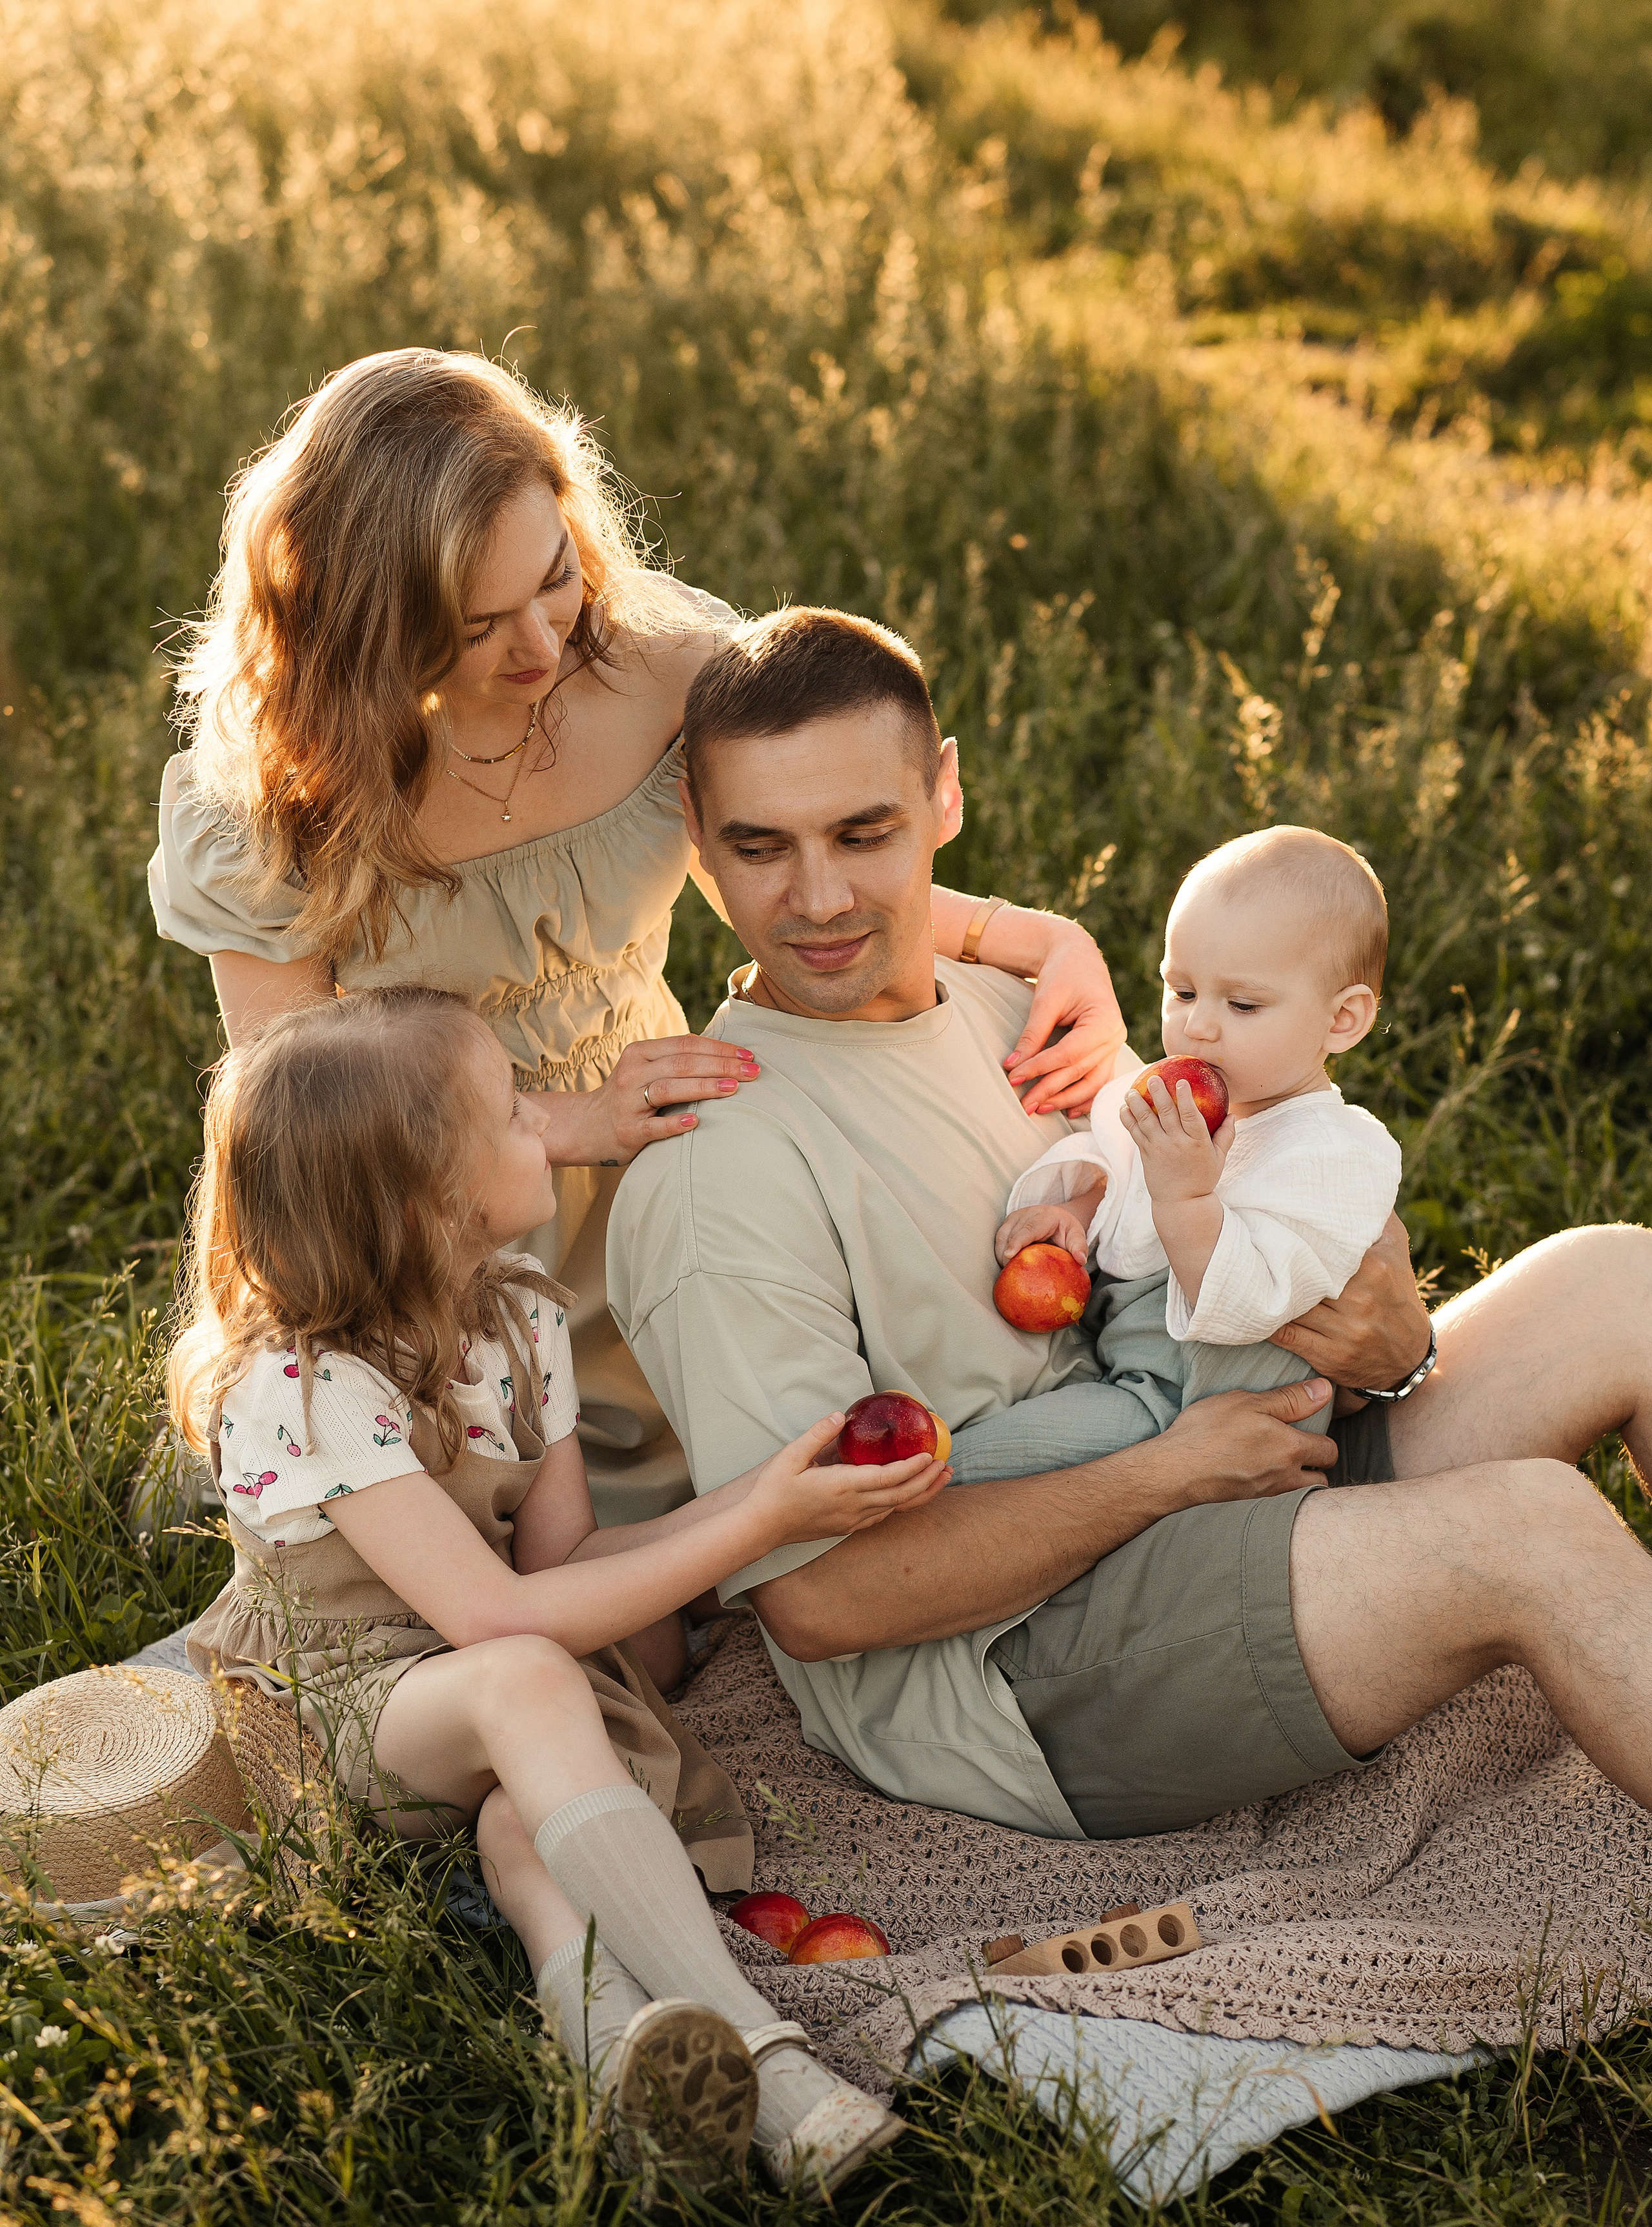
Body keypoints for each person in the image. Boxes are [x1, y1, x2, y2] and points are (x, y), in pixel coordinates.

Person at [607, 604, 1652, 1844]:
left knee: (1622, 1277)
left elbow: (1211, 1234)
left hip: (1228, 1449)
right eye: (761, 845)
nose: (820, 896)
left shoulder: (1021, 1009)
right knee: (1529, 1528)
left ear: (944, 796)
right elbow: (825, 1599)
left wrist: (1395, 1353)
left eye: (865, 831)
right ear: (696, 838)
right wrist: (1171, 1475)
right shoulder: (717, 1166)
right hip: (1013, 1662)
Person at [148, 347, 1129, 1533]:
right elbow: (296, 1119)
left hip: (663, 1146)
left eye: (555, 579)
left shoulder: (662, 665)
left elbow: (785, 869)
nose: (543, 647)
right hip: (427, 1217)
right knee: (498, 1565)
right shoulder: (270, 790)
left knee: (773, 1467)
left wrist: (1037, 939)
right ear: (372, 624)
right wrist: (564, 1122)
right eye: (476, 627)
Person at [168, 986, 939, 2190]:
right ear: (431, 1198)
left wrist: (765, 1499)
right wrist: (754, 1527)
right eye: (514, 1109)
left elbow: (563, 1568)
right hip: (338, 1715)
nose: (549, 1120)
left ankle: (621, 2066)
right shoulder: (307, 1385)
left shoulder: (521, 1311)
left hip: (487, 1697)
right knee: (531, 1676)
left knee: (526, 1826)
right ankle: (770, 2054)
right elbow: (499, 1621)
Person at [951, 825, 1402, 1482]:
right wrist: (1080, 1209)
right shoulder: (1190, 1103)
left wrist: (1186, 1196)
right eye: (1182, 991)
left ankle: (913, 1500)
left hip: (1198, 1410)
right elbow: (1126, 1171)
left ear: (1342, 1020)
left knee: (975, 1464)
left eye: (1242, 1003)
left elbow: (1251, 1301)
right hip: (1136, 1378)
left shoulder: (1334, 1154)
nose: (1197, 1025)